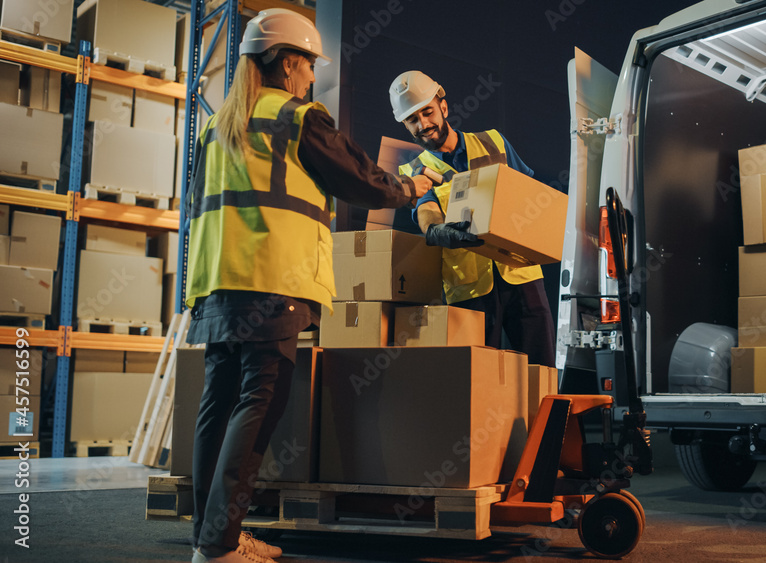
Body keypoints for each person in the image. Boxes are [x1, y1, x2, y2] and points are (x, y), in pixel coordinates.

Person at [185, 10, 430, 563]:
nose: (310, 76)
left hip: (219, 283)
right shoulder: (297, 117)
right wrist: (410, 187)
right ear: (290, 62)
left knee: (218, 407)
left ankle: (209, 535)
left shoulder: (220, 123)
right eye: (309, 65)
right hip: (274, 281)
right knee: (257, 406)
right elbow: (361, 179)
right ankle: (219, 547)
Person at [388, 71, 555, 367]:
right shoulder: (412, 171)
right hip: (469, 289)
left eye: (427, 112)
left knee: (539, 368)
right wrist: (436, 231)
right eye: (412, 119)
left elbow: (528, 191)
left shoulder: (493, 142)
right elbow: (425, 209)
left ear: (444, 107)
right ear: (404, 124)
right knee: (477, 377)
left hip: (520, 273)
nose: (423, 124)